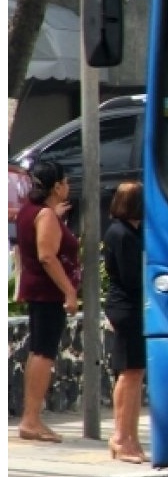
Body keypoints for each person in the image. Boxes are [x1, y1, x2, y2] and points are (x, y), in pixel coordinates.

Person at [14, 160, 79, 443]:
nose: (68, 186)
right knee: (44, 353)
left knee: (38, 351)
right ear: (56, 186)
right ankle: (31, 419)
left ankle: (31, 418)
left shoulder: (32, 212)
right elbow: (47, 256)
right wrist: (69, 291)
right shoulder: (44, 216)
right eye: (65, 182)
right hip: (48, 292)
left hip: (39, 290)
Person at [102, 181, 147, 464]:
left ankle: (131, 436)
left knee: (136, 372)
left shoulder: (134, 232)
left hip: (133, 306)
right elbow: (131, 276)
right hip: (126, 306)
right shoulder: (121, 235)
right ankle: (120, 436)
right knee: (128, 373)